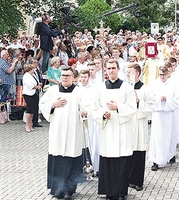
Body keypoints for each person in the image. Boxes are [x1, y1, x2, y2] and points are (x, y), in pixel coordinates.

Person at [39, 66, 88, 200]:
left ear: (73, 77)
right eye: (63, 75)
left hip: (73, 131)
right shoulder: (53, 91)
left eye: (68, 75)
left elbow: (85, 106)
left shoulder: (79, 92)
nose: (65, 78)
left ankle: (68, 189)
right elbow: (43, 104)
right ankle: (56, 189)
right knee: (57, 157)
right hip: (57, 131)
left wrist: (84, 112)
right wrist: (53, 104)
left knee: (71, 157)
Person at [91, 59, 136, 200]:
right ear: (106, 70)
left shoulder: (127, 87)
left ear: (118, 69)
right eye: (108, 68)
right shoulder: (100, 88)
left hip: (121, 128)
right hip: (107, 128)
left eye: (113, 68)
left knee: (121, 160)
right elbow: (94, 107)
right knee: (107, 159)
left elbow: (132, 107)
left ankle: (121, 192)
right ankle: (108, 190)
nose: (111, 71)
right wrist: (102, 114)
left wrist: (118, 107)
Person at [127, 63, 157, 191]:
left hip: (139, 123)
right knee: (127, 152)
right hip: (127, 123)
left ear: (137, 74)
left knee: (138, 152)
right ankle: (127, 179)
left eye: (130, 72)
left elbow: (152, 105)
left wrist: (139, 102)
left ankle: (137, 181)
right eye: (127, 72)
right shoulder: (124, 88)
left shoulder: (145, 89)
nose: (128, 74)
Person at [149, 66, 179, 171]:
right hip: (157, 114)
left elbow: (176, 99)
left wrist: (167, 99)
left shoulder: (172, 85)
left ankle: (169, 155)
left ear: (167, 74)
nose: (162, 77)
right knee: (157, 137)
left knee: (168, 136)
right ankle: (156, 160)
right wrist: (158, 99)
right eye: (160, 74)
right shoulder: (154, 84)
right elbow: (150, 99)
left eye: (164, 74)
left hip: (167, 113)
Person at [22, 63, 41, 132]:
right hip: (28, 94)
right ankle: (27, 125)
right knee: (29, 110)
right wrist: (37, 87)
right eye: (33, 69)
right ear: (30, 69)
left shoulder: (33, 75)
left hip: (34, 94)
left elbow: (36, 82)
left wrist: (39, 85)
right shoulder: (26, 76)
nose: (34, 70)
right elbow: (30, 85)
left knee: (33, 110)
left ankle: (30, 124)